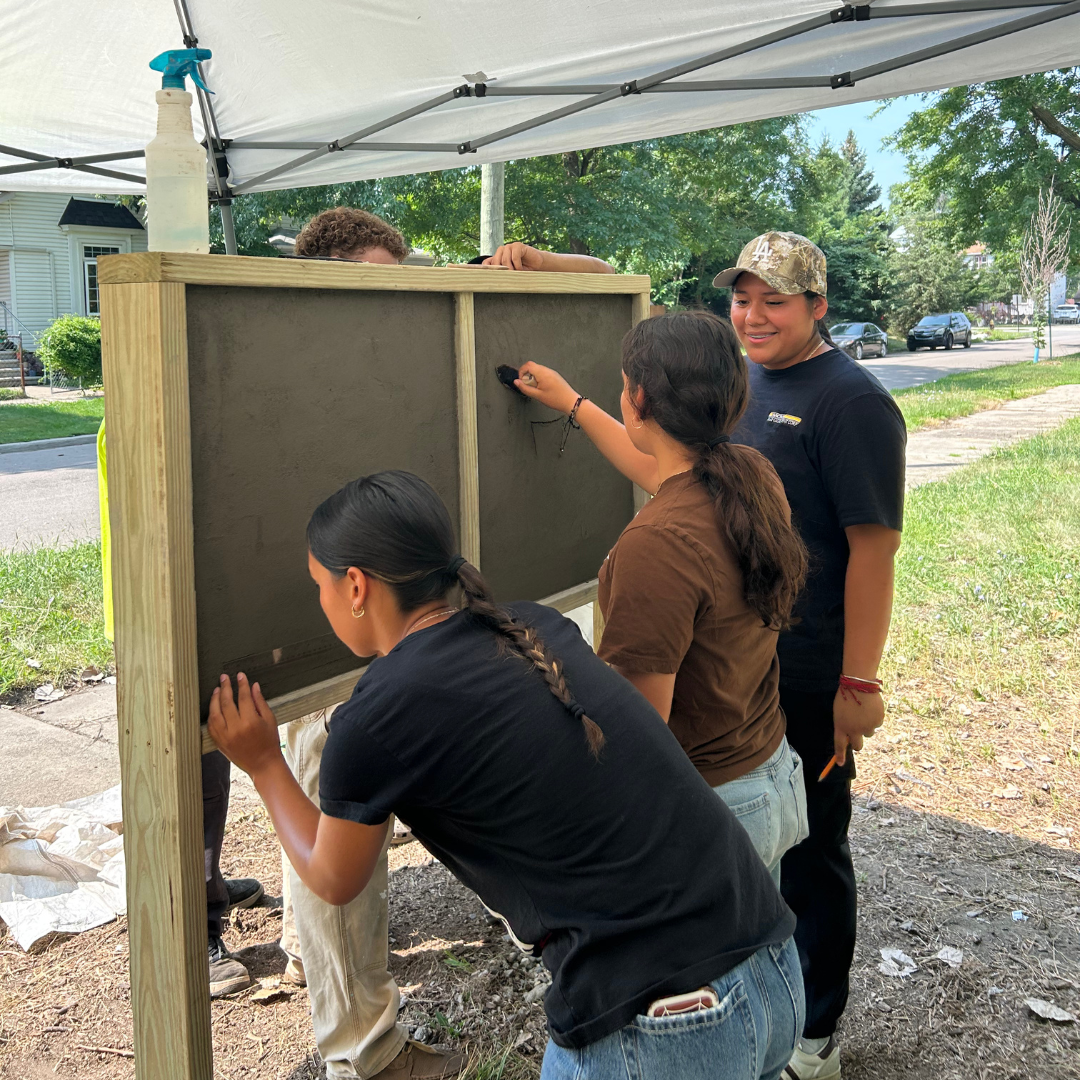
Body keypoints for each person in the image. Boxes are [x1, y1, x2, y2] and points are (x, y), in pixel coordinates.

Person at [208, 469, 804, 1080]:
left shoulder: (379, 715)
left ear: (356, 585)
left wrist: (263, 763)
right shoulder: (530, 630)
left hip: (663, 1022)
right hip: (773, 963)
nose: (321, 600)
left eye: (320, 586)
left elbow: (334, 878)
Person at [510, 313, 810, 885]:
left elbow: (637, 726)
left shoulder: (656, 545)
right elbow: (658, 468)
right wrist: (573, 402)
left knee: (724, 975)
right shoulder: (750, 475)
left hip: (709, 805)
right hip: (766, 769)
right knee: (764, 956)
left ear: (639, 398)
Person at [716, 232, 906, 1080]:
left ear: (818, 307)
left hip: (811, 667)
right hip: (741, 659)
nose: (753, 316)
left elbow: (874, 550)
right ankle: (758, 998)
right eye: (742, 298)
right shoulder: (744, 378)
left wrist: (857, 682)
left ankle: (815, 1035)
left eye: (775, 301)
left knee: (811, 847)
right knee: (751, 832)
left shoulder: (852, 402)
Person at [96, 426, 264, 999]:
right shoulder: (153, 417)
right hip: (165, 625)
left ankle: (209, 881)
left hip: (184, 616)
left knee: (211, 769)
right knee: (194, 784)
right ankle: (198, 933)